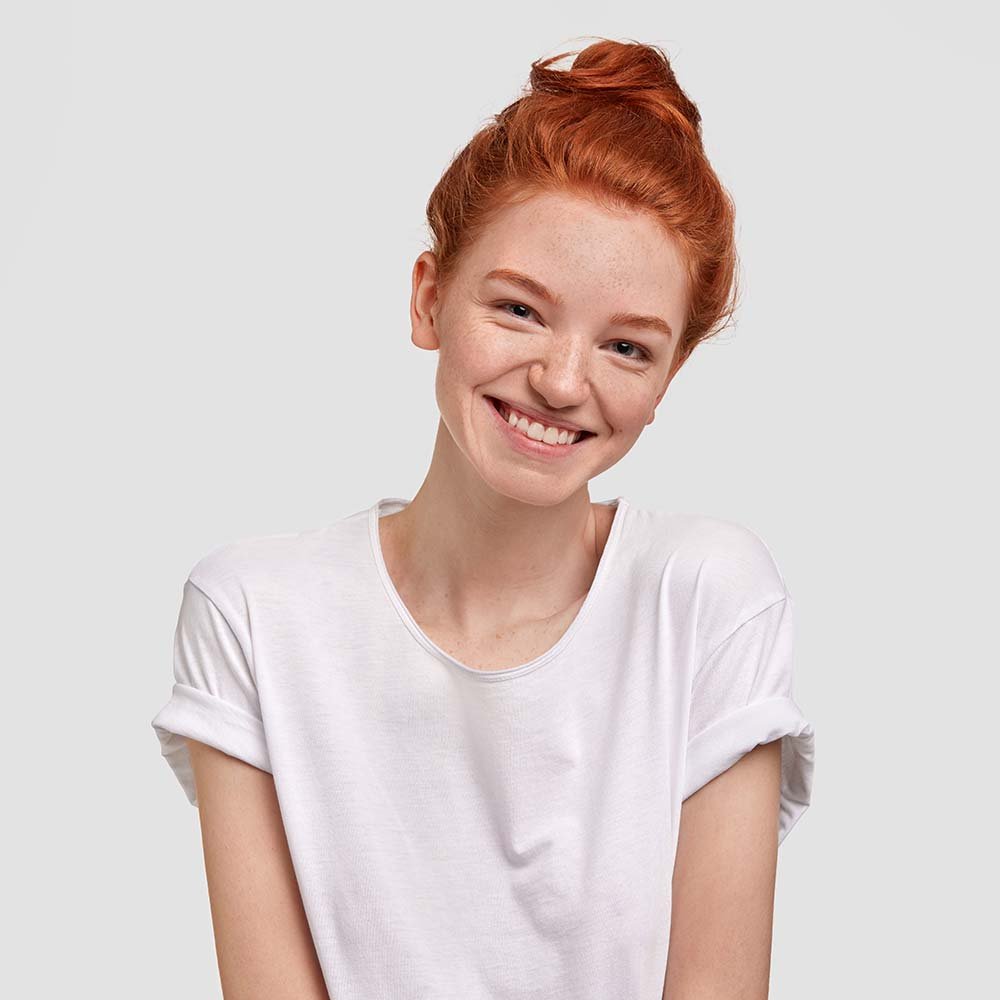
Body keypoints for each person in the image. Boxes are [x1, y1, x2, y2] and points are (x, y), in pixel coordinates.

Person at [151, 37, 815, 1000]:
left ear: (669, 378)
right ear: (430, 298)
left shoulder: (707, 600)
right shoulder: (255, 616)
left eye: (628, 347)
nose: (562, 381)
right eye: (519, 310)